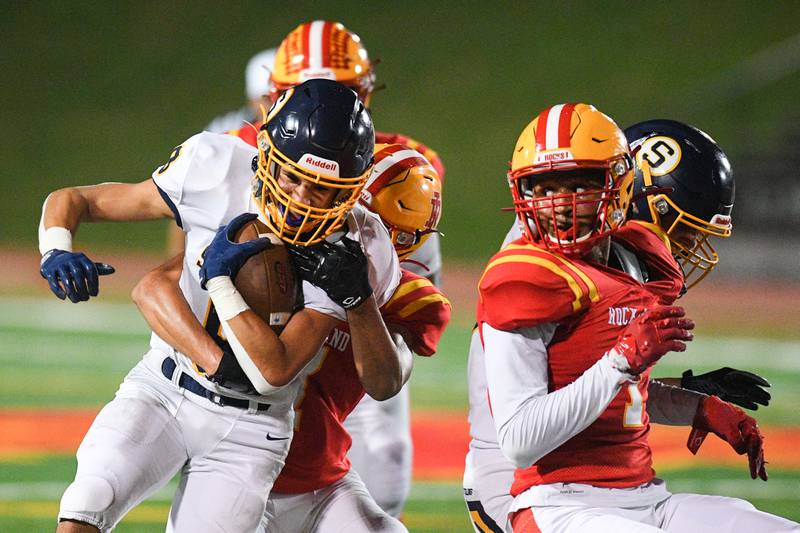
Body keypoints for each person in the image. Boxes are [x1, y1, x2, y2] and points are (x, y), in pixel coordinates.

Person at [38, 79, 406, 533]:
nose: (300, 200)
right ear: (267, 155)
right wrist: (56, 247)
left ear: (350, 190)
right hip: (165, 386)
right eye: (292, 176)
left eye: (322, 189)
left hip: (252, 428)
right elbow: (77, 199)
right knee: (88, 499)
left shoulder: (356, 246)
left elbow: (274, 370)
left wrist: (219, 280)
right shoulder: (215, 166)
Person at [473, 103, 796, 532]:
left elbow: (617, 389)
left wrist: (698, 404)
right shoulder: (531, 272)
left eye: (580, 187)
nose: (561, 206)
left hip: (639, 494)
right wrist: (622, 360)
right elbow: (520, 435)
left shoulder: (628, 261)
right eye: (544, 188)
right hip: (535, 493)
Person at [134, 143, 448, 532]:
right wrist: (216, 359)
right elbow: (153, 287)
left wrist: (359, 300)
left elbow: (386, 382)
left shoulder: (407, 297)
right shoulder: (262, 250)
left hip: (320, 478)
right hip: (235, 462)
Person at [227, 21, 446, 516]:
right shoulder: (240, 147)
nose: (324, 102)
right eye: (304, 91)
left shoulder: (404, 168)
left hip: (359, 333)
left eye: (341, 91)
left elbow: (411, 285)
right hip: (272, 335)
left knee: (382, 470)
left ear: (364, 92)